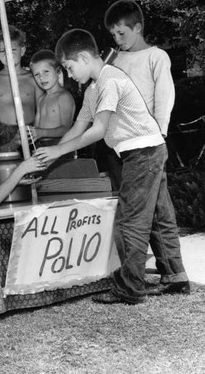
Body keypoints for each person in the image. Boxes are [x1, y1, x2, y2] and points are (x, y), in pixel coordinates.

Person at [34, 28, 189, 304]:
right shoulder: (94, 88)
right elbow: (77, 128)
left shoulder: (109, 79)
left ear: (83, 57)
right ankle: (175, 277)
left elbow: (97, 130)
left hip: (143, 152)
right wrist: (50, 156)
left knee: (130, 221)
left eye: (69, 68)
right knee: (156, 216)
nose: (69, 75)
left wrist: (59, 150)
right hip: (147, 150)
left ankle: (130, 288)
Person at [104, 0, 175, 189]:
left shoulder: (156, 57)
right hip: (118, 143)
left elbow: (164, 97)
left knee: (149, 196)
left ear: (137, 27)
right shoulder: (115, 59)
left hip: (146, 143)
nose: (117, 39)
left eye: (121, 33)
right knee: (127, 196)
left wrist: (160, 134)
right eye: (113, 35)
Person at [0, 25, 42, 152]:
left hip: (30, 132)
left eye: (13, 49)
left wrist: (39, 129)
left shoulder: (33, 79)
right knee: (6, 169)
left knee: (34, 169)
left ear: (22, 50)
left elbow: (42, 108)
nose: (8, 53)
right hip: (3, 134)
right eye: (2, 50)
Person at [28, 49, 76, 146]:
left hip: (60, 145)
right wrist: (29, 134)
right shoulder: (41, 99)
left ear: (58, 71)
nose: (41, 77)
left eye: (46, 71)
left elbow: (65, 129)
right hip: (41, 145)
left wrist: (41, 133)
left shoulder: (63, 97)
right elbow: (37, 128)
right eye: (37, 74)